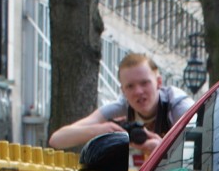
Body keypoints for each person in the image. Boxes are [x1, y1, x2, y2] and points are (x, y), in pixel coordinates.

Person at [48, 54, 193, 156]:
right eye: (130, 86)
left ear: (159, 83)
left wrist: (163, 150)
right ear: (122, 91)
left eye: (144, 83)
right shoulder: (120, 108)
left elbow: (206, 155)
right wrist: (101, 130)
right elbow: (57, 139)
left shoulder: (180, 108)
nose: (138, 91)